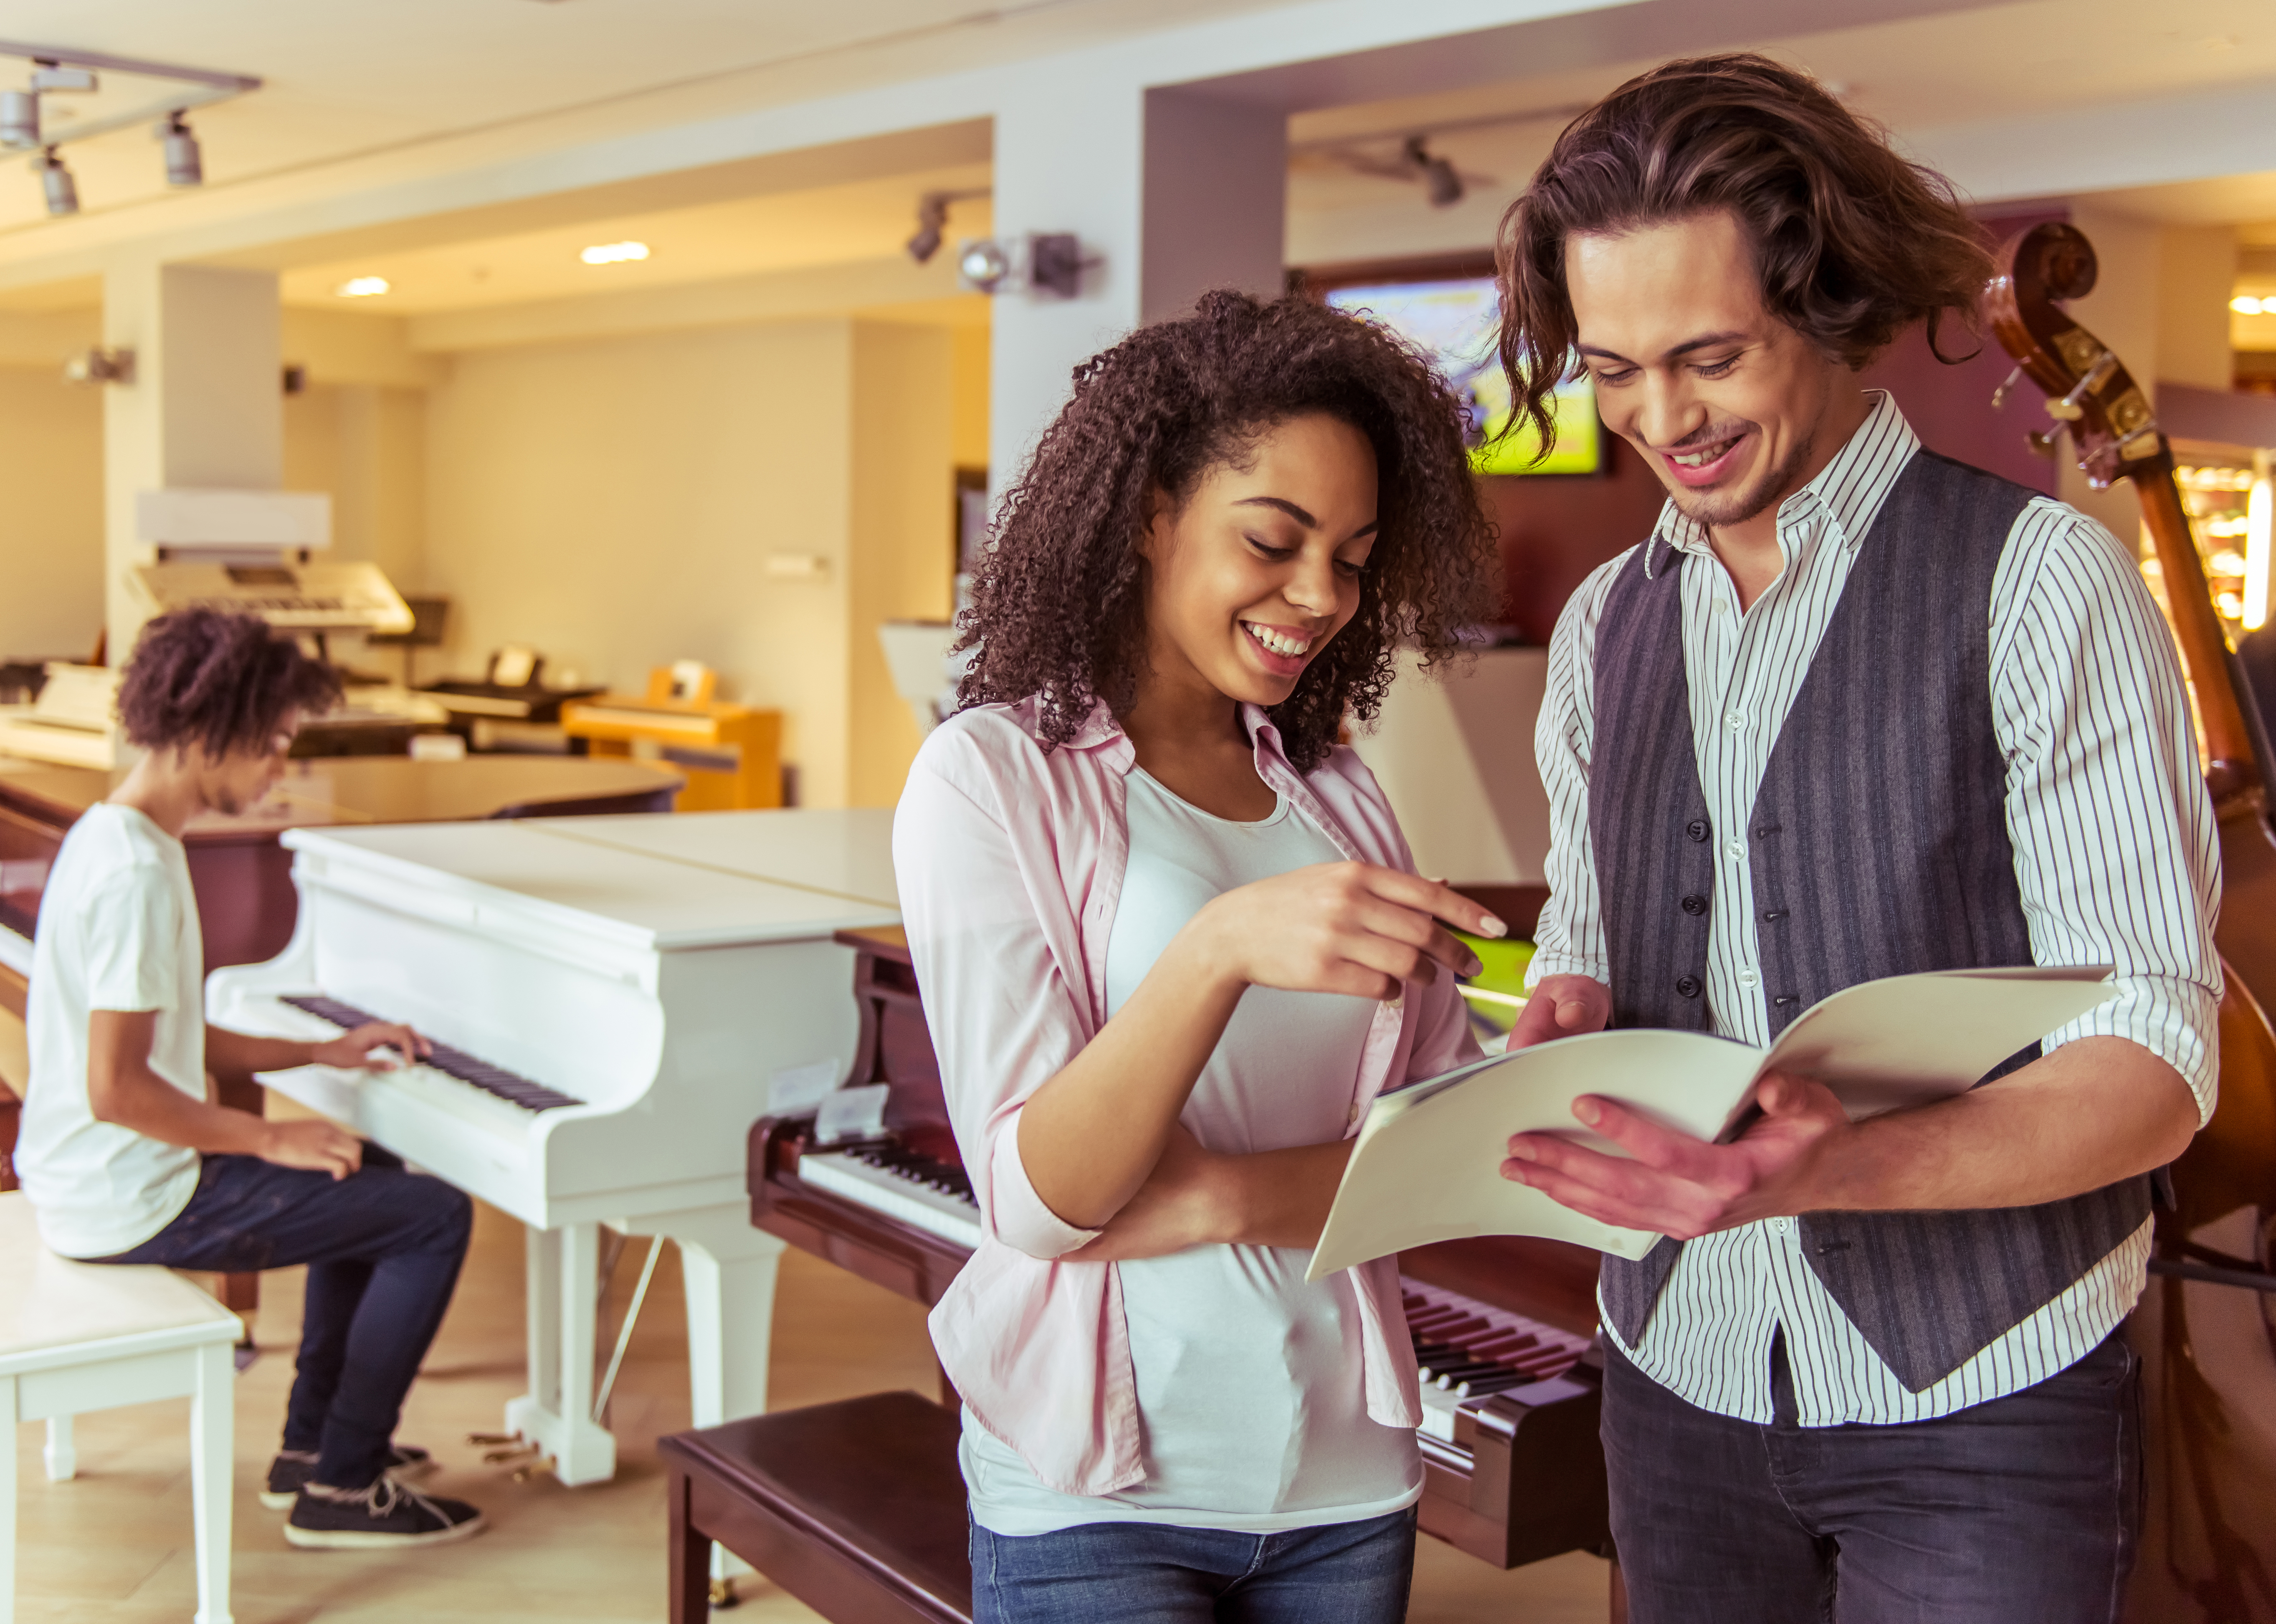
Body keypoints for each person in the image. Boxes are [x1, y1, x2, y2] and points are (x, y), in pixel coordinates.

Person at [1488, 54, 2219, 1621]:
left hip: (1983, 1393)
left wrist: (1843, 1168)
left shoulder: (2039, 583)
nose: (1658, 421)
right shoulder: (1601, 624)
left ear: (1824, 306)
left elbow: (2150, 1066)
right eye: (1613, 369)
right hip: (1672, 1367)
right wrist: (1564, 1012)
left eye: (1708, 357)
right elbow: (1588, 942)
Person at [893, 289, 1508, 1622]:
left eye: (1351, 556)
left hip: (1347, 1484)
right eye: (1273, 541)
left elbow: (1433, 1159)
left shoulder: (1337, 797)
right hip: (1096, 1499)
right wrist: (1218, 946)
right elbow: (1041, 1201)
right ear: (1148, 515)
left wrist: (1225, 1198)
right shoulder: (991, 779)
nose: (1320, 597)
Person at [15, 607, 487, 1551]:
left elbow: (175, 1053)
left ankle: (312, 1450)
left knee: (364, 1168)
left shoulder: (113, 838)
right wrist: (272, 1136)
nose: (280, 769)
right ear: (207, 731)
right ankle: (344, 1486)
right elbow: (120, 1091)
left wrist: (321, 1052)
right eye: (271, 747)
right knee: (435, 1217)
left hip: (96, 1173)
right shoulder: (139, 877)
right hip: (133, 1195)